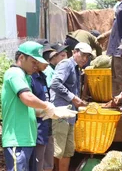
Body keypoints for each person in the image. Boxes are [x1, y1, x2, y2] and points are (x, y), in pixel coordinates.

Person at [1, 41, 77, 171]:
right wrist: (47, 106)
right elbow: (27, 97)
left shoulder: (26, 77)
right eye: (33, 62)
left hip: (27, 140)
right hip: (17, 140)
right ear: (21, 58)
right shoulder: (14, 73)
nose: (35, 66)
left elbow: (27, 107)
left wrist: (46, 112)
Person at [50, 42, 92, 171]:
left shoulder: (77, 69)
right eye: (83, 55)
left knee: (68, 151)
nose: (85, 59)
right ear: (74, 52)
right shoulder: (66, 64)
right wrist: (72, 97)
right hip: (60, 113)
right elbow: (55, 83)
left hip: (70, 114)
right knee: (57, 150)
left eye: (87, 56)